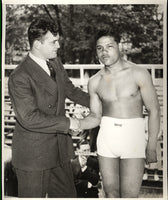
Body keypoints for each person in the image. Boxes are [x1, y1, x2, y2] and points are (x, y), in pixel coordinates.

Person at [8, 18, 90, 198]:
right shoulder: (19, 76)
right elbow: (29, 118)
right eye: (53, 41)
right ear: (37, 44)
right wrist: (71, 122)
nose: (58, 46)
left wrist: (103, 104)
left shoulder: (55, 62)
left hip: (60, 151)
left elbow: (70, 90)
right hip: (33, 155)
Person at [74, 29, 160, 197]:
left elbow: (154, 110)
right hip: (107, 138)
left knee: (129, 196)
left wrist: (151, 145)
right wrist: (75, 123)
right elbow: (95, 117)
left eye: (109, 46)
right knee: (111, 195)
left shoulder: (139, 73)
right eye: (99, 48)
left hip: (132, 139)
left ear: (119, 47)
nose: (104, 52)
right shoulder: (94, 81)